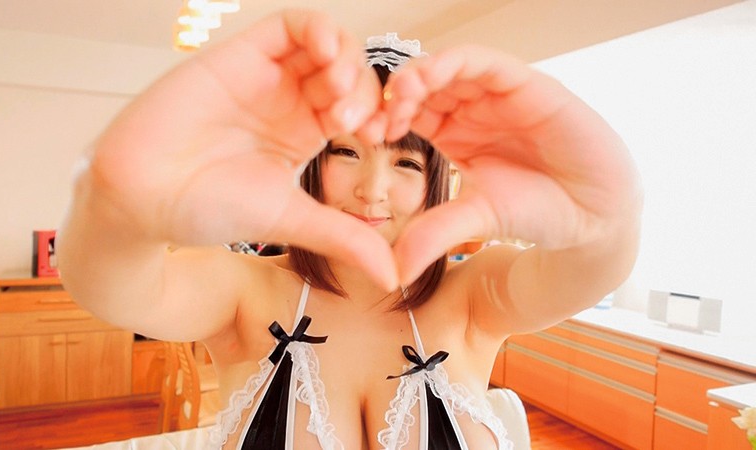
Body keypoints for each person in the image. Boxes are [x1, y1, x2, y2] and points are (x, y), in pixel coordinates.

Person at [57, 9, 642, 450]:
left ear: (437, 180)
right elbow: (112, 288)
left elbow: (591, 267)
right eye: (346, 152)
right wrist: (114, 209)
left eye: (406, 162)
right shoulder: (244, 291)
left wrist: (608, 217)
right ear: (313, 161)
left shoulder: (475, 294)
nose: (372, 189)